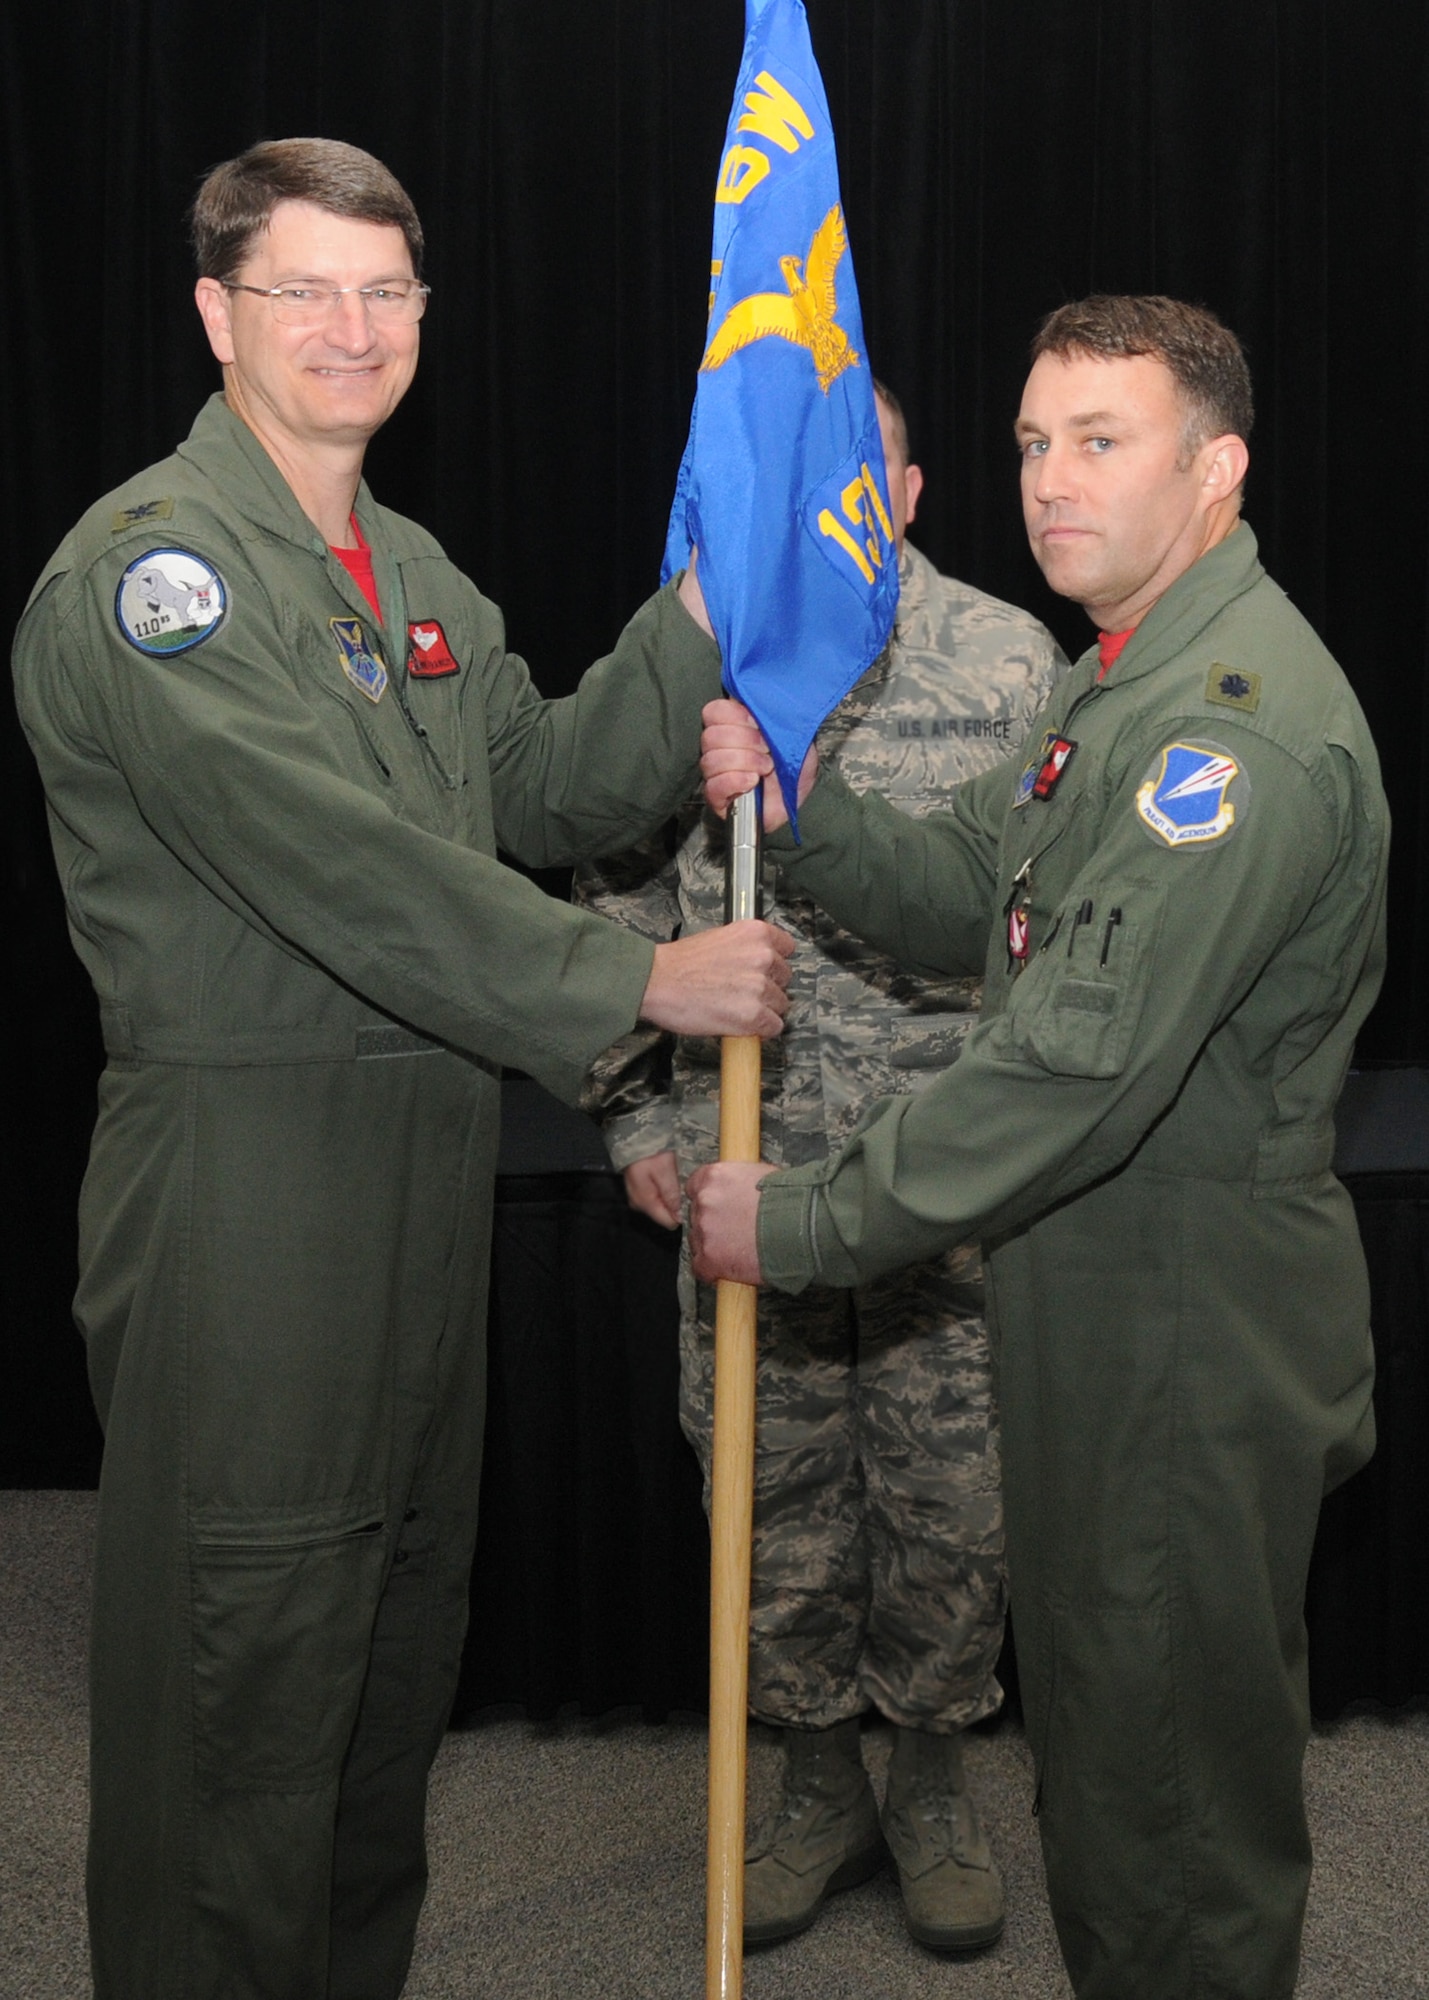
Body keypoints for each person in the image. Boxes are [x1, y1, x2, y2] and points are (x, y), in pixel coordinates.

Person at [10, 138, 795, 2000]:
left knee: (376, 1679)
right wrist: (637, 975)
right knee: (246, 1683)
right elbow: (336, 867)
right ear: (217, 317)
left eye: (389, 295)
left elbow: (536, 778)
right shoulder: (157, 582)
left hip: (418, 1186)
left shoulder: (402, 561)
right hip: (251, 1194)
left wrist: (703, 606)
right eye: (306, 292)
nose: (354, 332)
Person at [689, 295, 1389, 1999]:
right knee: (1110, 1748)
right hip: (1104, 1304)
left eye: (1100, 441)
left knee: (1163, 1805)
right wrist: (808, 815)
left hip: (1179, 1323)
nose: (1048, 482)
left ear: (1213, 469)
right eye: (1028, 442)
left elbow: (1070, 1068)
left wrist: (799, 1225)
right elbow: (979, 911)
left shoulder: (1222, 730)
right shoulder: (1120, 682)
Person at [573, 383, 1063, 1953]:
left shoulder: (1007, 660)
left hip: (948, 1174)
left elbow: (1040, 914)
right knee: (767, 1496)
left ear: (910, 492)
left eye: (861, 478)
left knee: (951, 1503)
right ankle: (811, 1788)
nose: (829, 505)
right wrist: (633, 1118)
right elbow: (607, 899)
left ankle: (924, 1782)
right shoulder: (690, 655)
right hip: (747, 1159)